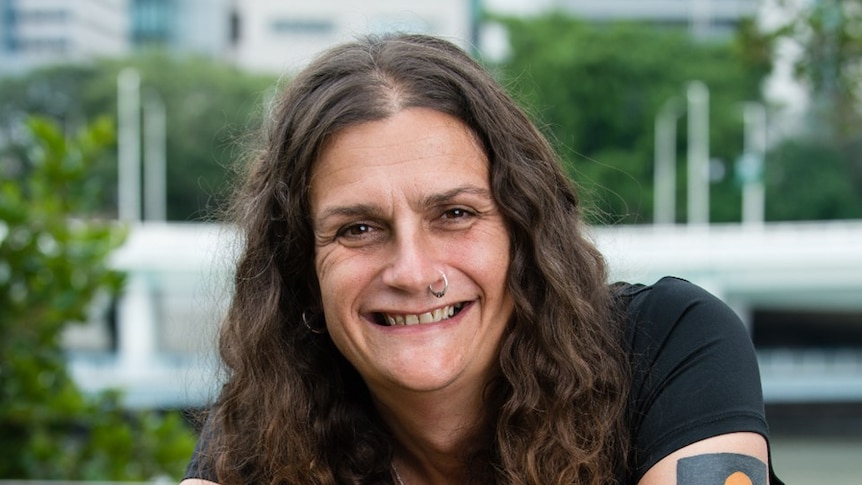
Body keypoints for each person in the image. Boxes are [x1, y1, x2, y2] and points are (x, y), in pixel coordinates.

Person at [180, 33, 783, 485]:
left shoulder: (668, 345)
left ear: (523, 232)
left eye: (456, 215)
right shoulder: (265, 426)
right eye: (358, 229)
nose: (414, 272)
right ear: (302, 271)